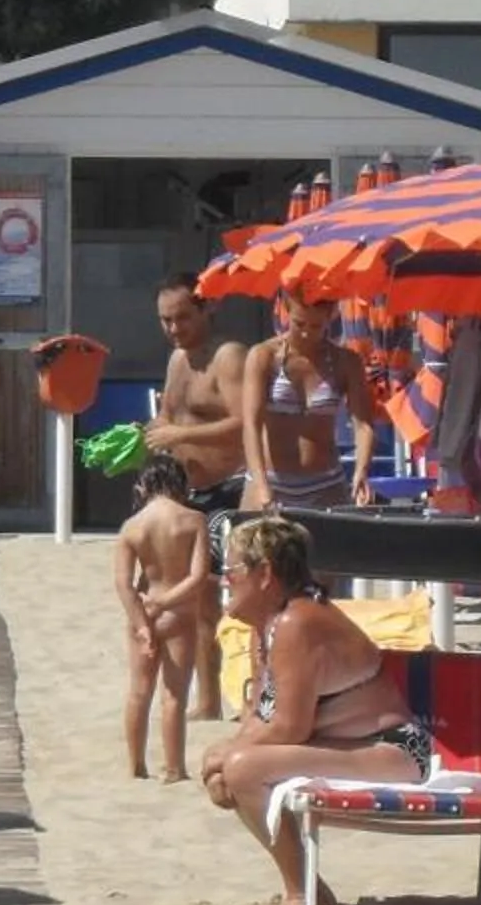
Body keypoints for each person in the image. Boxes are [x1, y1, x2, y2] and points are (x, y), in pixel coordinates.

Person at [198, 515, 436, 905]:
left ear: (265, 574)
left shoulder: (298, 622)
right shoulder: (268, 625)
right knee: (234, 766)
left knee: (242, 769)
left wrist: (230, 755)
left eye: (231, 569)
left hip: (396, 750)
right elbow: (259, 715)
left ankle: (302, 891)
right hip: (356, 746)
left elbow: (290, 728)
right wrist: (224, 752)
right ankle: (309, 888)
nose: (223, 579)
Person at [144, 278, 246, 715]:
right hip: (187, 492)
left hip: (230, 487)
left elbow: (246, 421)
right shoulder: (176, 361)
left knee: (238, 597)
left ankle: (242, 692)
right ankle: (206, 701)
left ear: (208, 310)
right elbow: (167, 416)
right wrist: (146, 437)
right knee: (198, 600)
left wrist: (181, 432)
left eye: (183, 317)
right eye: (165, 320)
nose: (173, 327)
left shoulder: (229, 357)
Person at [238, 286, 376, 513]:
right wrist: (261, 485)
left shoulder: (346, 361)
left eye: (316, 326)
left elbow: (363, 425)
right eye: (298, 324)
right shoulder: (264, 357)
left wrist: (362, 469)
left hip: (325, 483)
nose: (306, 333)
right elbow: (251, 425)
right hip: (270, 480)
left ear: (331, 315)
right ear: (286, 310)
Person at [115, 459, 211, 780]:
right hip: (178, 612)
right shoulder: (193, 520)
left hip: (142, 610)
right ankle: (173, 768)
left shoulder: (132, 526)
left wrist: (143, 623)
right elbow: (198, 578)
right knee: (174, 696)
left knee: (139, 692)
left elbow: (124, 584)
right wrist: (165, 602)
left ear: (144, 486)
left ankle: (135, 764)